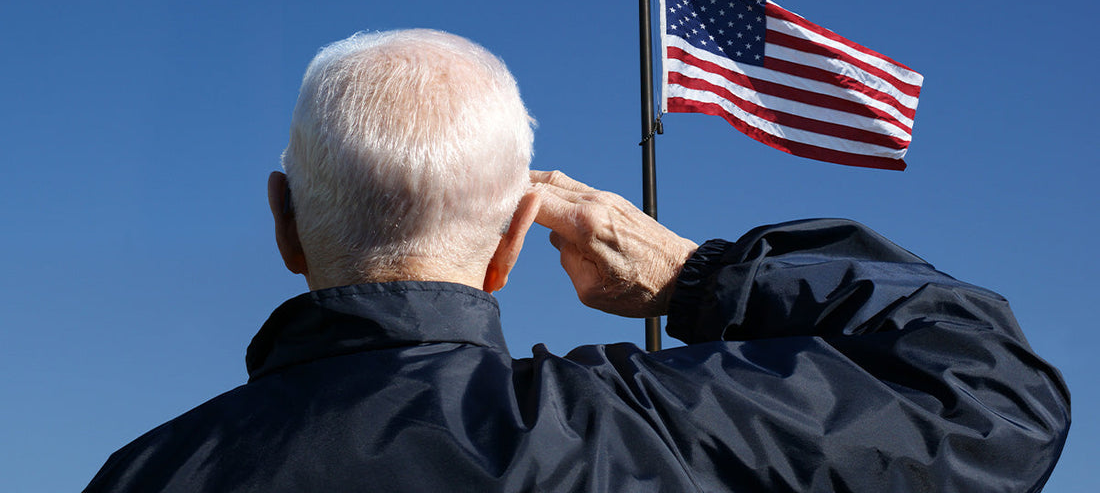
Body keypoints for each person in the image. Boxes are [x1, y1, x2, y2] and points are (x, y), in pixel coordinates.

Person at [83, 29, 1069, 492]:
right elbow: (988, 394)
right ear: (517, 237)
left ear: (285, 223)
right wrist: (696, 277)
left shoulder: (140, 476)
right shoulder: (632, 438)